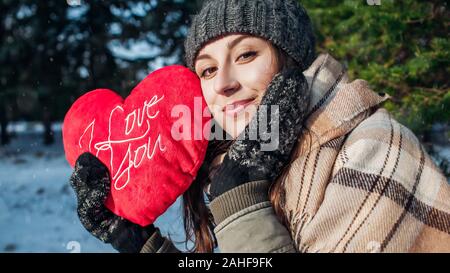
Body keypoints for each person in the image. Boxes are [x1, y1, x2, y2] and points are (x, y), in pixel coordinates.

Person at [69, 0, 450, 253]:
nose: (223, 83)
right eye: (208, 69)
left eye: (247, 54)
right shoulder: (247, 164)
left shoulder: (371, 150)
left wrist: (241, 204)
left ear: (291, 62)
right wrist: (141, 244)